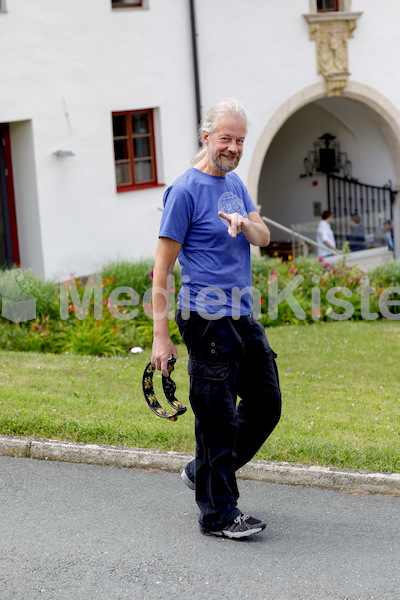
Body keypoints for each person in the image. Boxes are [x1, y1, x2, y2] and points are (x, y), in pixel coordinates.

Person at [151, 98, 281, 540]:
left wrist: (244, 223)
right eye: (226, 138)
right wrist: (160, 339)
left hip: (241, 314)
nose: (233, 147)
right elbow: (162, 270)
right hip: (205, 317)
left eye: (240, 140)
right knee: (218, 417)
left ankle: (200, 471)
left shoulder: (235, 185)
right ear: (206, 136)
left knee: (266, 403)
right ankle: (220, 514)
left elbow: (264, 237)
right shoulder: (184, 191)